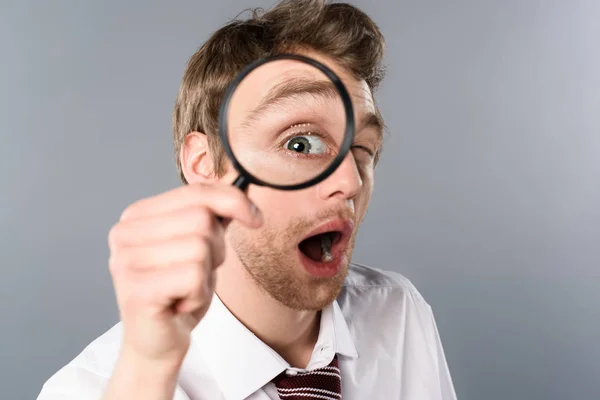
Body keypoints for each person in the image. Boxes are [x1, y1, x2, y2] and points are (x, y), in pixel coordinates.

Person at [37, 1, 457, 399]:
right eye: (300, 143)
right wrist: (150, 369)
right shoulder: (91, 389)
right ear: (204, 166)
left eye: (363, 150)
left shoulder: (398, 313)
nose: (349, 181)